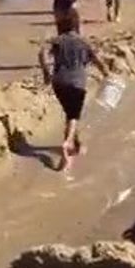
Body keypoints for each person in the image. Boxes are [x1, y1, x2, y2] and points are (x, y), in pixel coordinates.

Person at [38, 9, 108, 172]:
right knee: (73, 116)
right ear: (77, 25)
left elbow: (42, 53)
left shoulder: (57, 41)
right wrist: (107, 75)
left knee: (69, 113)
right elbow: (98, 61)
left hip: (59, 83)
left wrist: (46, 73)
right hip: (77, 83)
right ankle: (67, 143)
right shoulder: (83, 42)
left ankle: (76, 145)